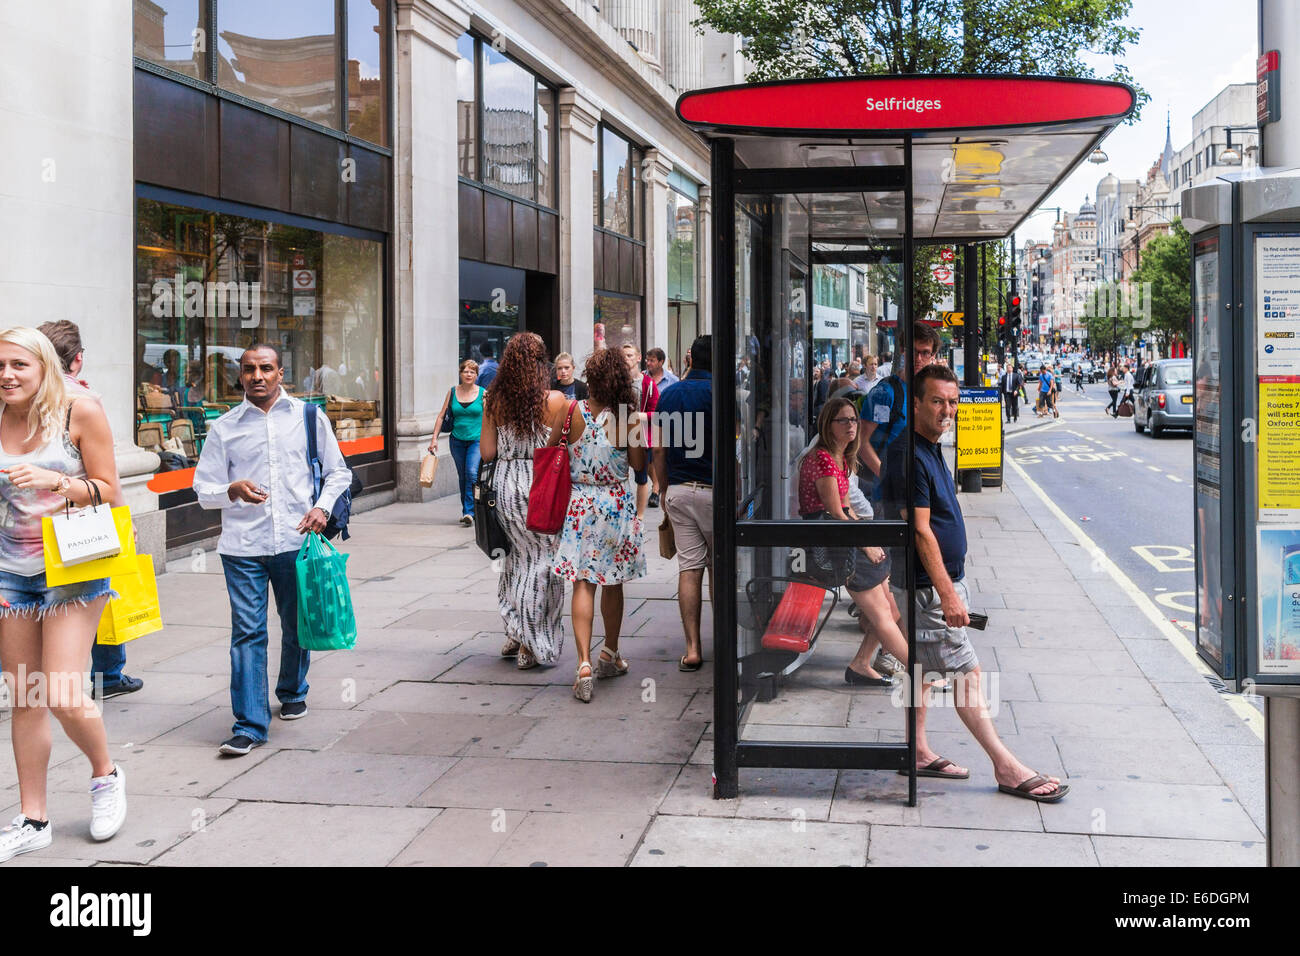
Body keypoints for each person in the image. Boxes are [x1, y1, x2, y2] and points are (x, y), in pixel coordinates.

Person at [883, 364, 1066, 799]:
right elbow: (919, 529)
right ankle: (1006, 767)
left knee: (923, 673)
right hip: (929, 587)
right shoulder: (908, 452)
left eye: (953, 401)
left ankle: (918, 751)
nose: (947, 410)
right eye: (937, 401)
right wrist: (947, 594)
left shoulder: (929, 446)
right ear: (918, 403)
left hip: (934, 584)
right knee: (968, 674)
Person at [0, 326, 128, 862]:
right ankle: (33, 818)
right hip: (11, 571)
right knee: (25, 695)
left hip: (72, 567)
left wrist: (56, 482)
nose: (6, 375)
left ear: (45, 368)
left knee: (61, 691)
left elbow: (110, 490)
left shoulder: (80, 411)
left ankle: (106, 776)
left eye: (18, 366)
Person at [192, 344, 353, 756]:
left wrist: (321, 508)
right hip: (242, 547)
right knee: (248, 632)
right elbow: (203, 490)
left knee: (296, 624)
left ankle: (293, 688)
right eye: (249, 369)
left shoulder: (308, 417)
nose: (257, 376)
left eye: (266, 368)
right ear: (240, 376)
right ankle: (249, 724)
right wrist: (231, 490)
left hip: (297, 544)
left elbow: (339, 473)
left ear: (282, 373)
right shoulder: (224, 428)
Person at [37, 321, 143, 701]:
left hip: (26, 531)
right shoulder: (83, 402)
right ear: (77, 360)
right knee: (95, 593)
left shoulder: (22, 400)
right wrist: (123, 522)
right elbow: (106, 478)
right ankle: (107, 675)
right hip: (77, 524)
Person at [549, 348, 647, 702]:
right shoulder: (628, 418)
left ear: (589, 376)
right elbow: (639, 467)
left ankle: (584, 664)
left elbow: (551, 449)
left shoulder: (570, 410)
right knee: (613, 581)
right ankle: (610, 652)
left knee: (583, 583)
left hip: (578, 503)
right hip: (614, 504)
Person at [801, 397, 911, 686]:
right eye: (844, 420)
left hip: (846, 537)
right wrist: (865, 544)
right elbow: (835, 513)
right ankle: (924, 673)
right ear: (828, 424)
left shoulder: (840, 457)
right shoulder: (823, 458)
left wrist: (869, 536)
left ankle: (861, 664)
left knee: (893, 605)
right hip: (834, 545)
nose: (852, 426)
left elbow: (848, 508)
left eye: (854, 420)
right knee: (883, 615)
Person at [480, 333, 569, 670]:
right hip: (540, 484)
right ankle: (532, 643)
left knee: (515, 559)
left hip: (505, 485)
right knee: (543, 562)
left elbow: (487, 452)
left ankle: (515, 629)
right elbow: (562, 448)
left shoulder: (493, 400)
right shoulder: (557, 401)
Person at [653, 335, 712, 672]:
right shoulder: (721, 393)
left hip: (679, 489)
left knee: (689, 569)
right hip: (713, 490)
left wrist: (663, 488)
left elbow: (658, 449)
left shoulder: (669, 394)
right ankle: (722, 638)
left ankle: (692, 648)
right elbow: (735, 450)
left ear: (690, 359)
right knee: (717, 568)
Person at [430, 359, 485, 527]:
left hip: (476, 440)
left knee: (471, 472)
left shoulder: (484, 393)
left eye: (472, 372)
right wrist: (434, 439)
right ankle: (467, 511)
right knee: (463, 476)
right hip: (457, 441)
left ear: (476, 375)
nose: (469, 374)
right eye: (466, 371)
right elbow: (441, 416)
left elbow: (491, 418)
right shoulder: (453, 392)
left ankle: (470, 511)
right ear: (460, 374)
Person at [622, 344, 659, 510]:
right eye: (623, 356)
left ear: (638, 358)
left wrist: (638, 417)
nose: (626, 359)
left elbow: (656, 412)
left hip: (641, 436)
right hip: (619, 435)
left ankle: (640, 516)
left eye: (630, 355)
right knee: (620, 475)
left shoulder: (648, 383)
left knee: (641, 478)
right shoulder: (618, 382)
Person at [999, 360, 1026, 424]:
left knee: (1014, 406)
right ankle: (1008, 419)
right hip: (1007, 393)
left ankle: (1015, 417)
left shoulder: (1016, 375)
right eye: (1008, 368)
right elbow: (1002, 385)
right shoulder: (1004, 377)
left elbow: (1019, 384)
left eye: (1010, 368)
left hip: (1014, 393)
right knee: (1007, 406)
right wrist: (1003, 393)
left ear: (1012, 369)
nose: (1009, 369)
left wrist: (1016, 390)